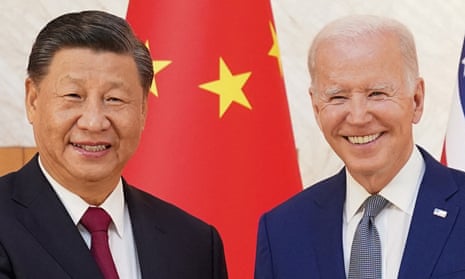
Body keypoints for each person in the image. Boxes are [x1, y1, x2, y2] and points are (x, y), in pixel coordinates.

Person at [0, 10, 228, 279]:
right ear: (33, 101)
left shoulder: (194, 243)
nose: (94, 122)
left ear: (143, 109)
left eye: (115, 99)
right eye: (74, 95)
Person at [255, 15, 465, 279]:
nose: (357, 117)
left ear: (417, 99)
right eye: (338, 97)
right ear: (316, 107)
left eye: (377, 93)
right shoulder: (282, 231)